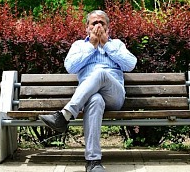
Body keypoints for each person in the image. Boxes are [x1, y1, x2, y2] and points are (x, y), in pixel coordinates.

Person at [39, 10, 137, 172]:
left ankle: (65, 115)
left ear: (108, 28)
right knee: (95, 100)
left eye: (102, 23)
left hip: (114, 95)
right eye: (94, 23)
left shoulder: (117, 44)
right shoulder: (79, 45)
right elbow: (71, 67)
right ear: (87, 28)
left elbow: (130, 64)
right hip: (90, 97)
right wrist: (92, 45)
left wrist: (106, 44)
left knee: (100, 72)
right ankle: (93, 162)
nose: (98, 26)